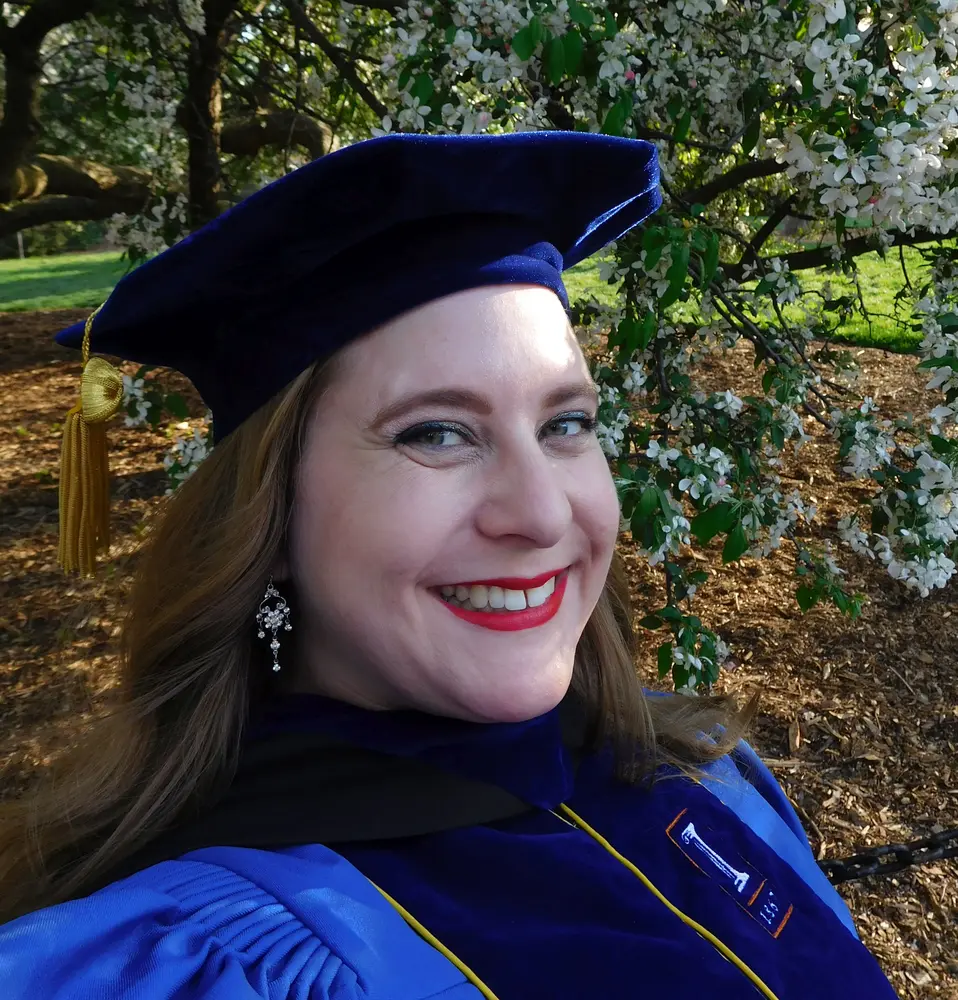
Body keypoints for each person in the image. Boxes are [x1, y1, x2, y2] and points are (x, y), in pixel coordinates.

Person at [0, 132, 898, 1000]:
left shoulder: (699, 768)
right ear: (266, 525)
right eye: (436, 432)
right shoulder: (202, 960)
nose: (544, 513)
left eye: (565, 425)